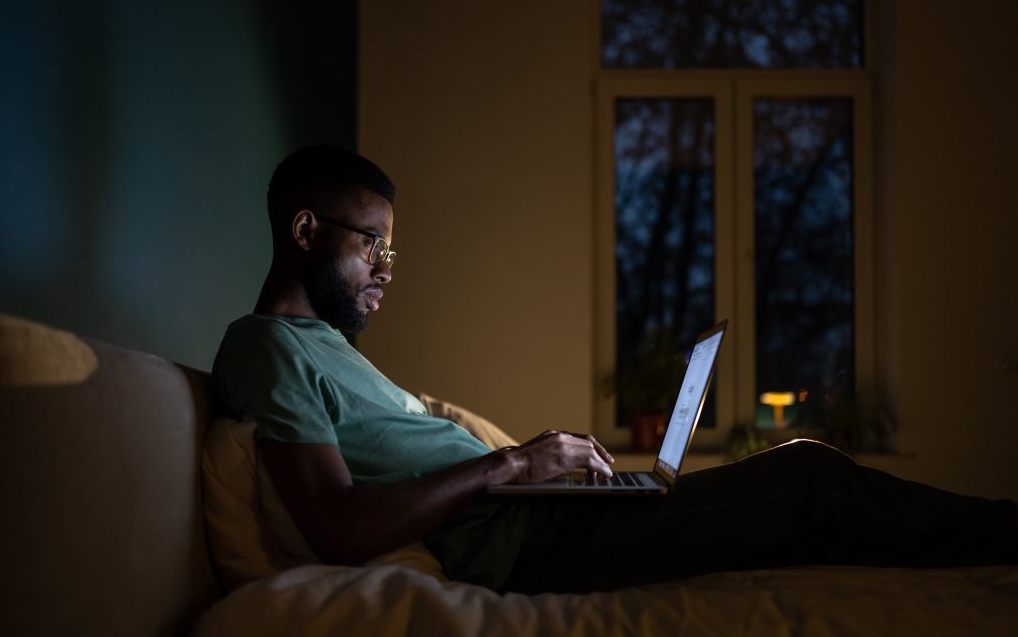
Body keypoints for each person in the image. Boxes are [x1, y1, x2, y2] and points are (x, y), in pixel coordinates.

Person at [212, 145, 1017, 593]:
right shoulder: (265, 347)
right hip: (534, 549)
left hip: (545, 517)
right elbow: (338, 525)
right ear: (307, 229)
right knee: (809, 481)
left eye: (394, 248)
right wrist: (517, 462)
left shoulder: (330, 352)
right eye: (371, 245)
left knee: (805, 490)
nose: (388, 267)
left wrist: (534, 470)